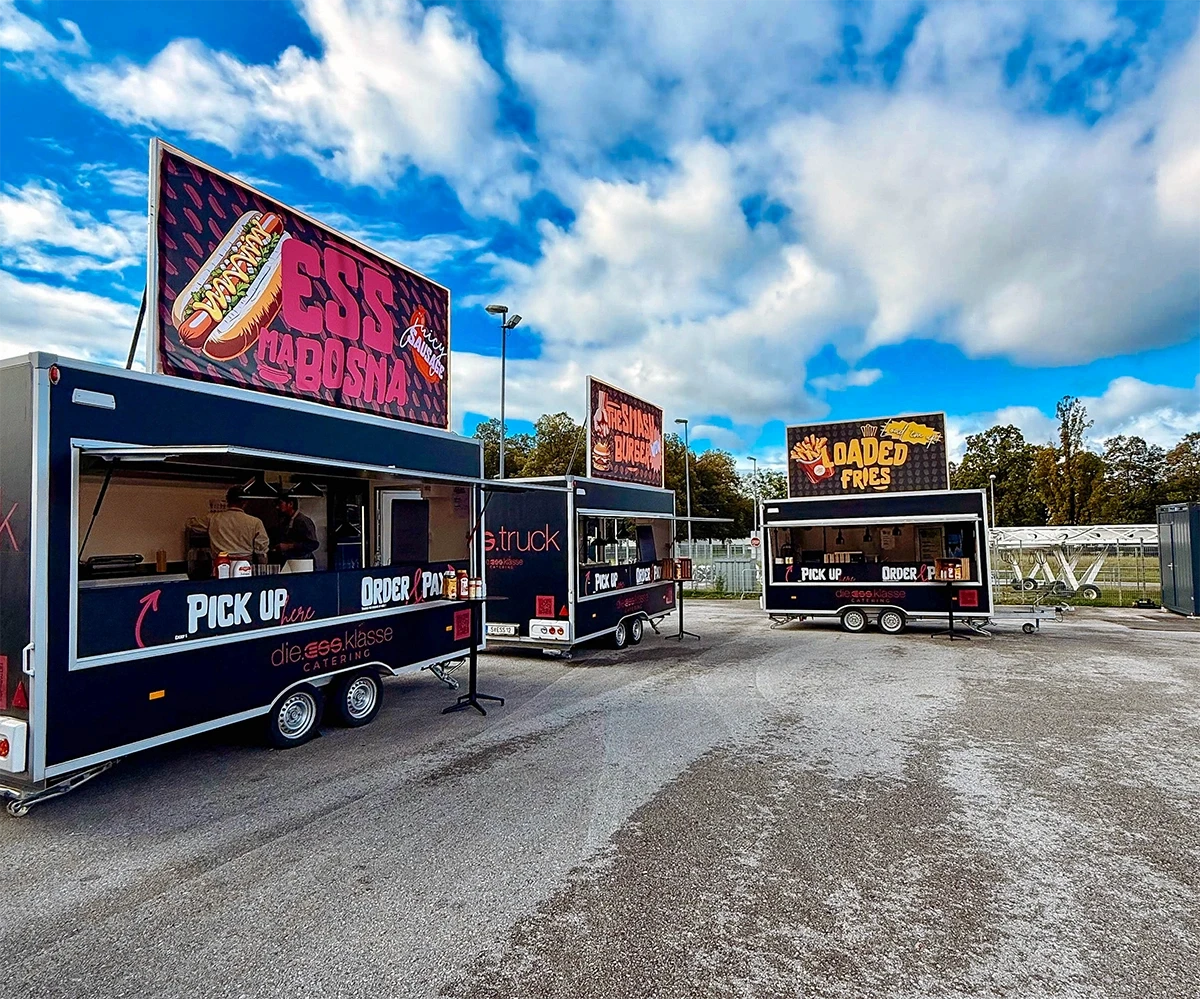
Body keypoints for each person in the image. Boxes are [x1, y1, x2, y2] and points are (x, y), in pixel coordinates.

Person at [192, 487, 269, 564]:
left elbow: (191, 524)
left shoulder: (213, 518)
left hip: (220, 563)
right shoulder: (255, 522)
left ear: (227, 500)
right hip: (245, 565)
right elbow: (261, 551)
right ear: (245, 502)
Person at [273, 495, 319, 572]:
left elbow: (313, 544)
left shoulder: (303, 521)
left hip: (303, 563)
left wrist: (290, 546)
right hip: (288, 561)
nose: (277, 507)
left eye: (280, 503)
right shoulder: (285, 522)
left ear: (290, 504)